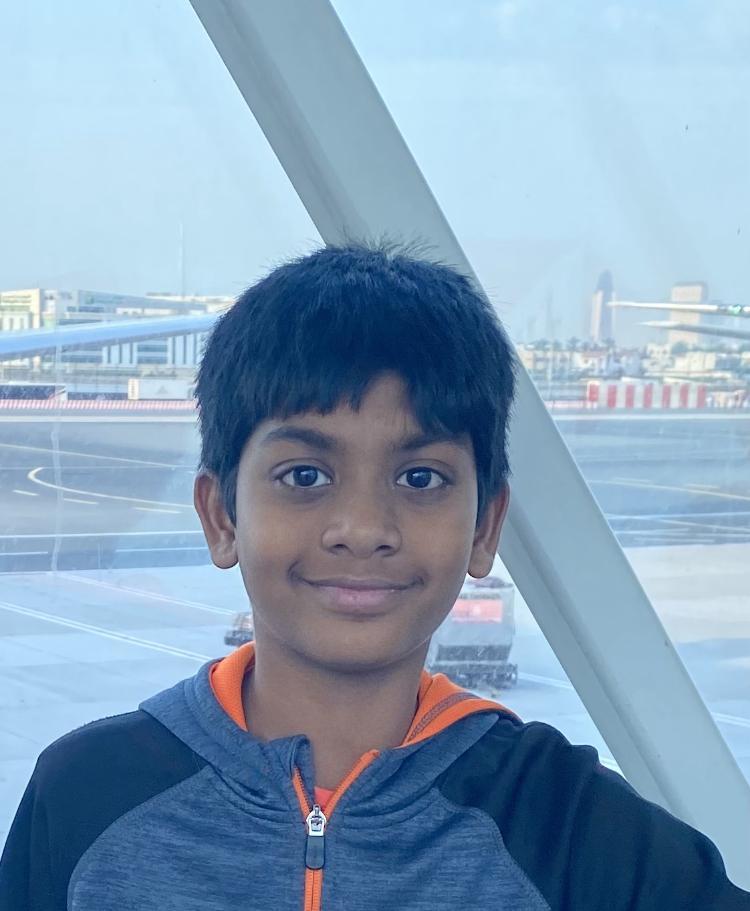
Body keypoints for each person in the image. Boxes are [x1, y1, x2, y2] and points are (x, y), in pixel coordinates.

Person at [1, 243, 747, 910]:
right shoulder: (86, 797)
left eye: (421, 477)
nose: (363, 528)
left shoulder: (573, 828)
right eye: (304, 475)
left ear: (485, 527)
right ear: (221, 515)